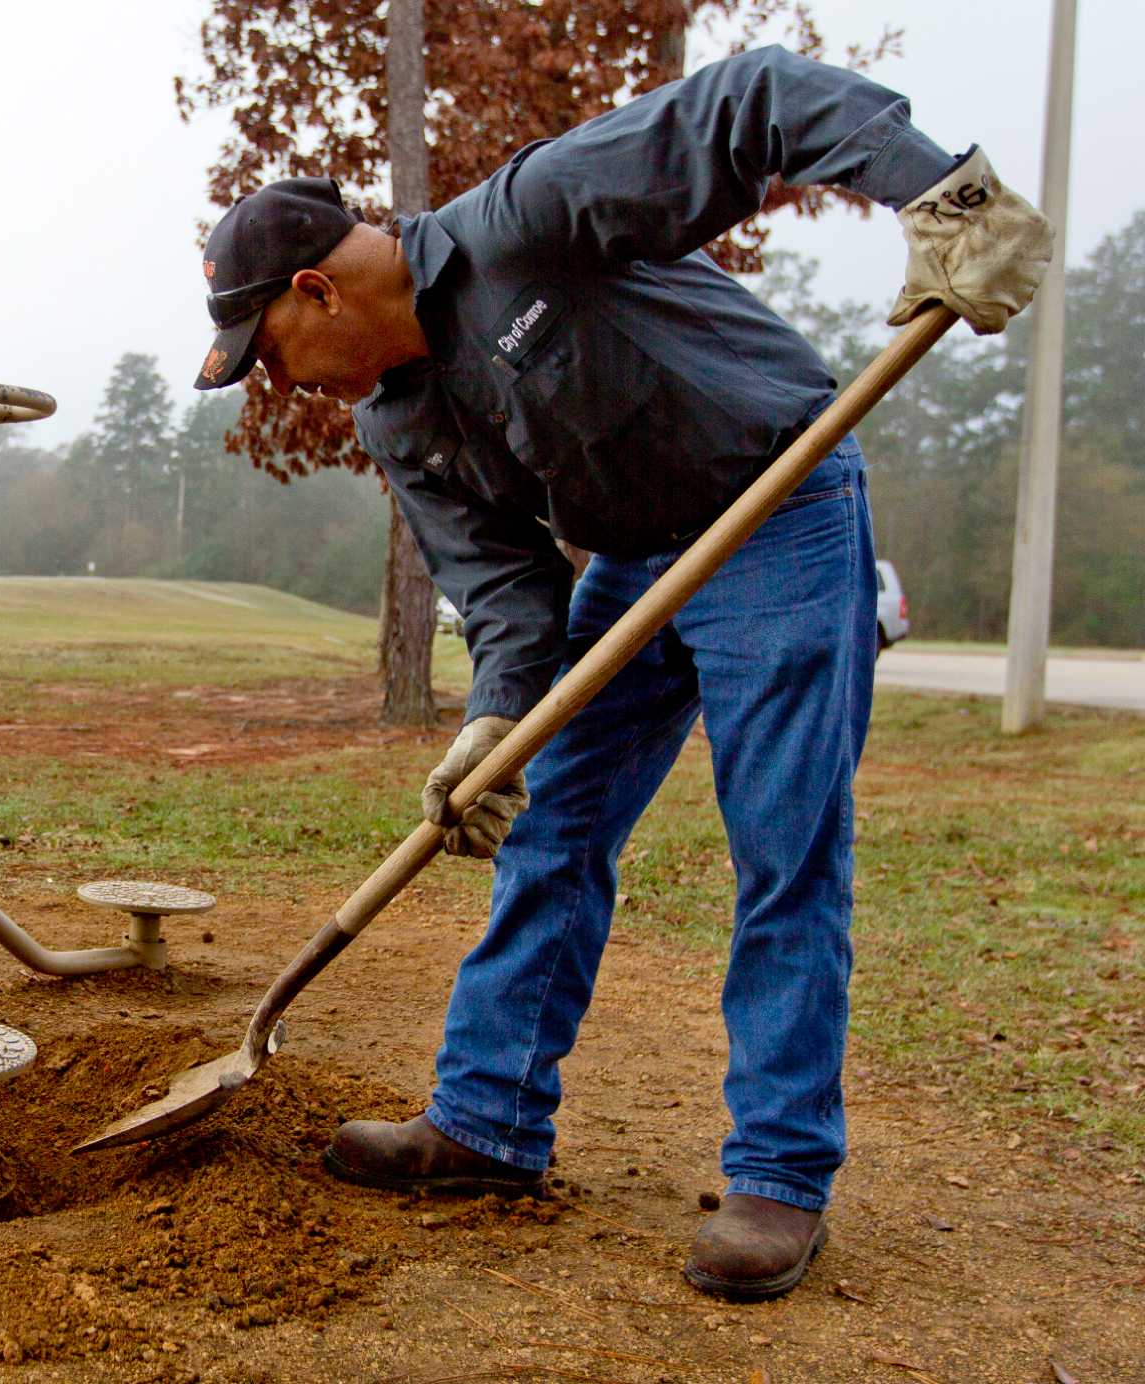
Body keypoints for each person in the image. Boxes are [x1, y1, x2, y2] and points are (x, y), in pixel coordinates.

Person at [191, 47, 1050, 1301]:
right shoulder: (396, 419)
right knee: (552, 831)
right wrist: (494, 721)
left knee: (783, 848)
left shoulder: (530, 219)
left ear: (316, 289)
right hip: (636, 568)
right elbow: (502, 588)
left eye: (264, 350)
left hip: (779, 512)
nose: (279, 384)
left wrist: (943, 197)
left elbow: (750, 101)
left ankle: (777, 1178)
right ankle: (484, 1123)